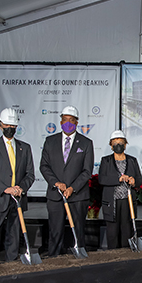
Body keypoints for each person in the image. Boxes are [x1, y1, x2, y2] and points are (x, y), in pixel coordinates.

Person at [0, 108, 35, 263]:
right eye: (6, 125)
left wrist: (20, 188)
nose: (9, 128)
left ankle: (11, 264)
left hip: (17, 198)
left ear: (16, 127)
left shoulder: (24, 148)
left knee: (14, 233)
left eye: (12, 125)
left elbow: (30, 174)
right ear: (0, 125)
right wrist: (5, 189)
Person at [40, 106, 94, 257]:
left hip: (77, 196)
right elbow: (44, 166)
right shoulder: (50, 141)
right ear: (60, 121)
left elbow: (87, 171)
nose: (67, 123)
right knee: (55, 231)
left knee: (78, 231)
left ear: (77, 122)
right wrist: (56, 183)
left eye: (71, 120)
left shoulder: (86, 143)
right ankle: (54, 261)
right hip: (55, 195)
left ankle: (79, 263)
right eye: (65, 119)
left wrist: (72, 188)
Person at [98, 130, 142, 249]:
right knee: (112, 232)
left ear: (125, 144)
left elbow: (139, 179)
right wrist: (118, 178)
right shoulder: (105, 161)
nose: (118, 145)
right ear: (111, 145)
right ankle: (113, 257)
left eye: (121, 142)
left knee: (127, 230)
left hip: (127, 201)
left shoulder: (132, 160)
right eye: (115, 143)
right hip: (112, 202)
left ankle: (126, 257)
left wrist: (134, 181)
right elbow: (102, 179)